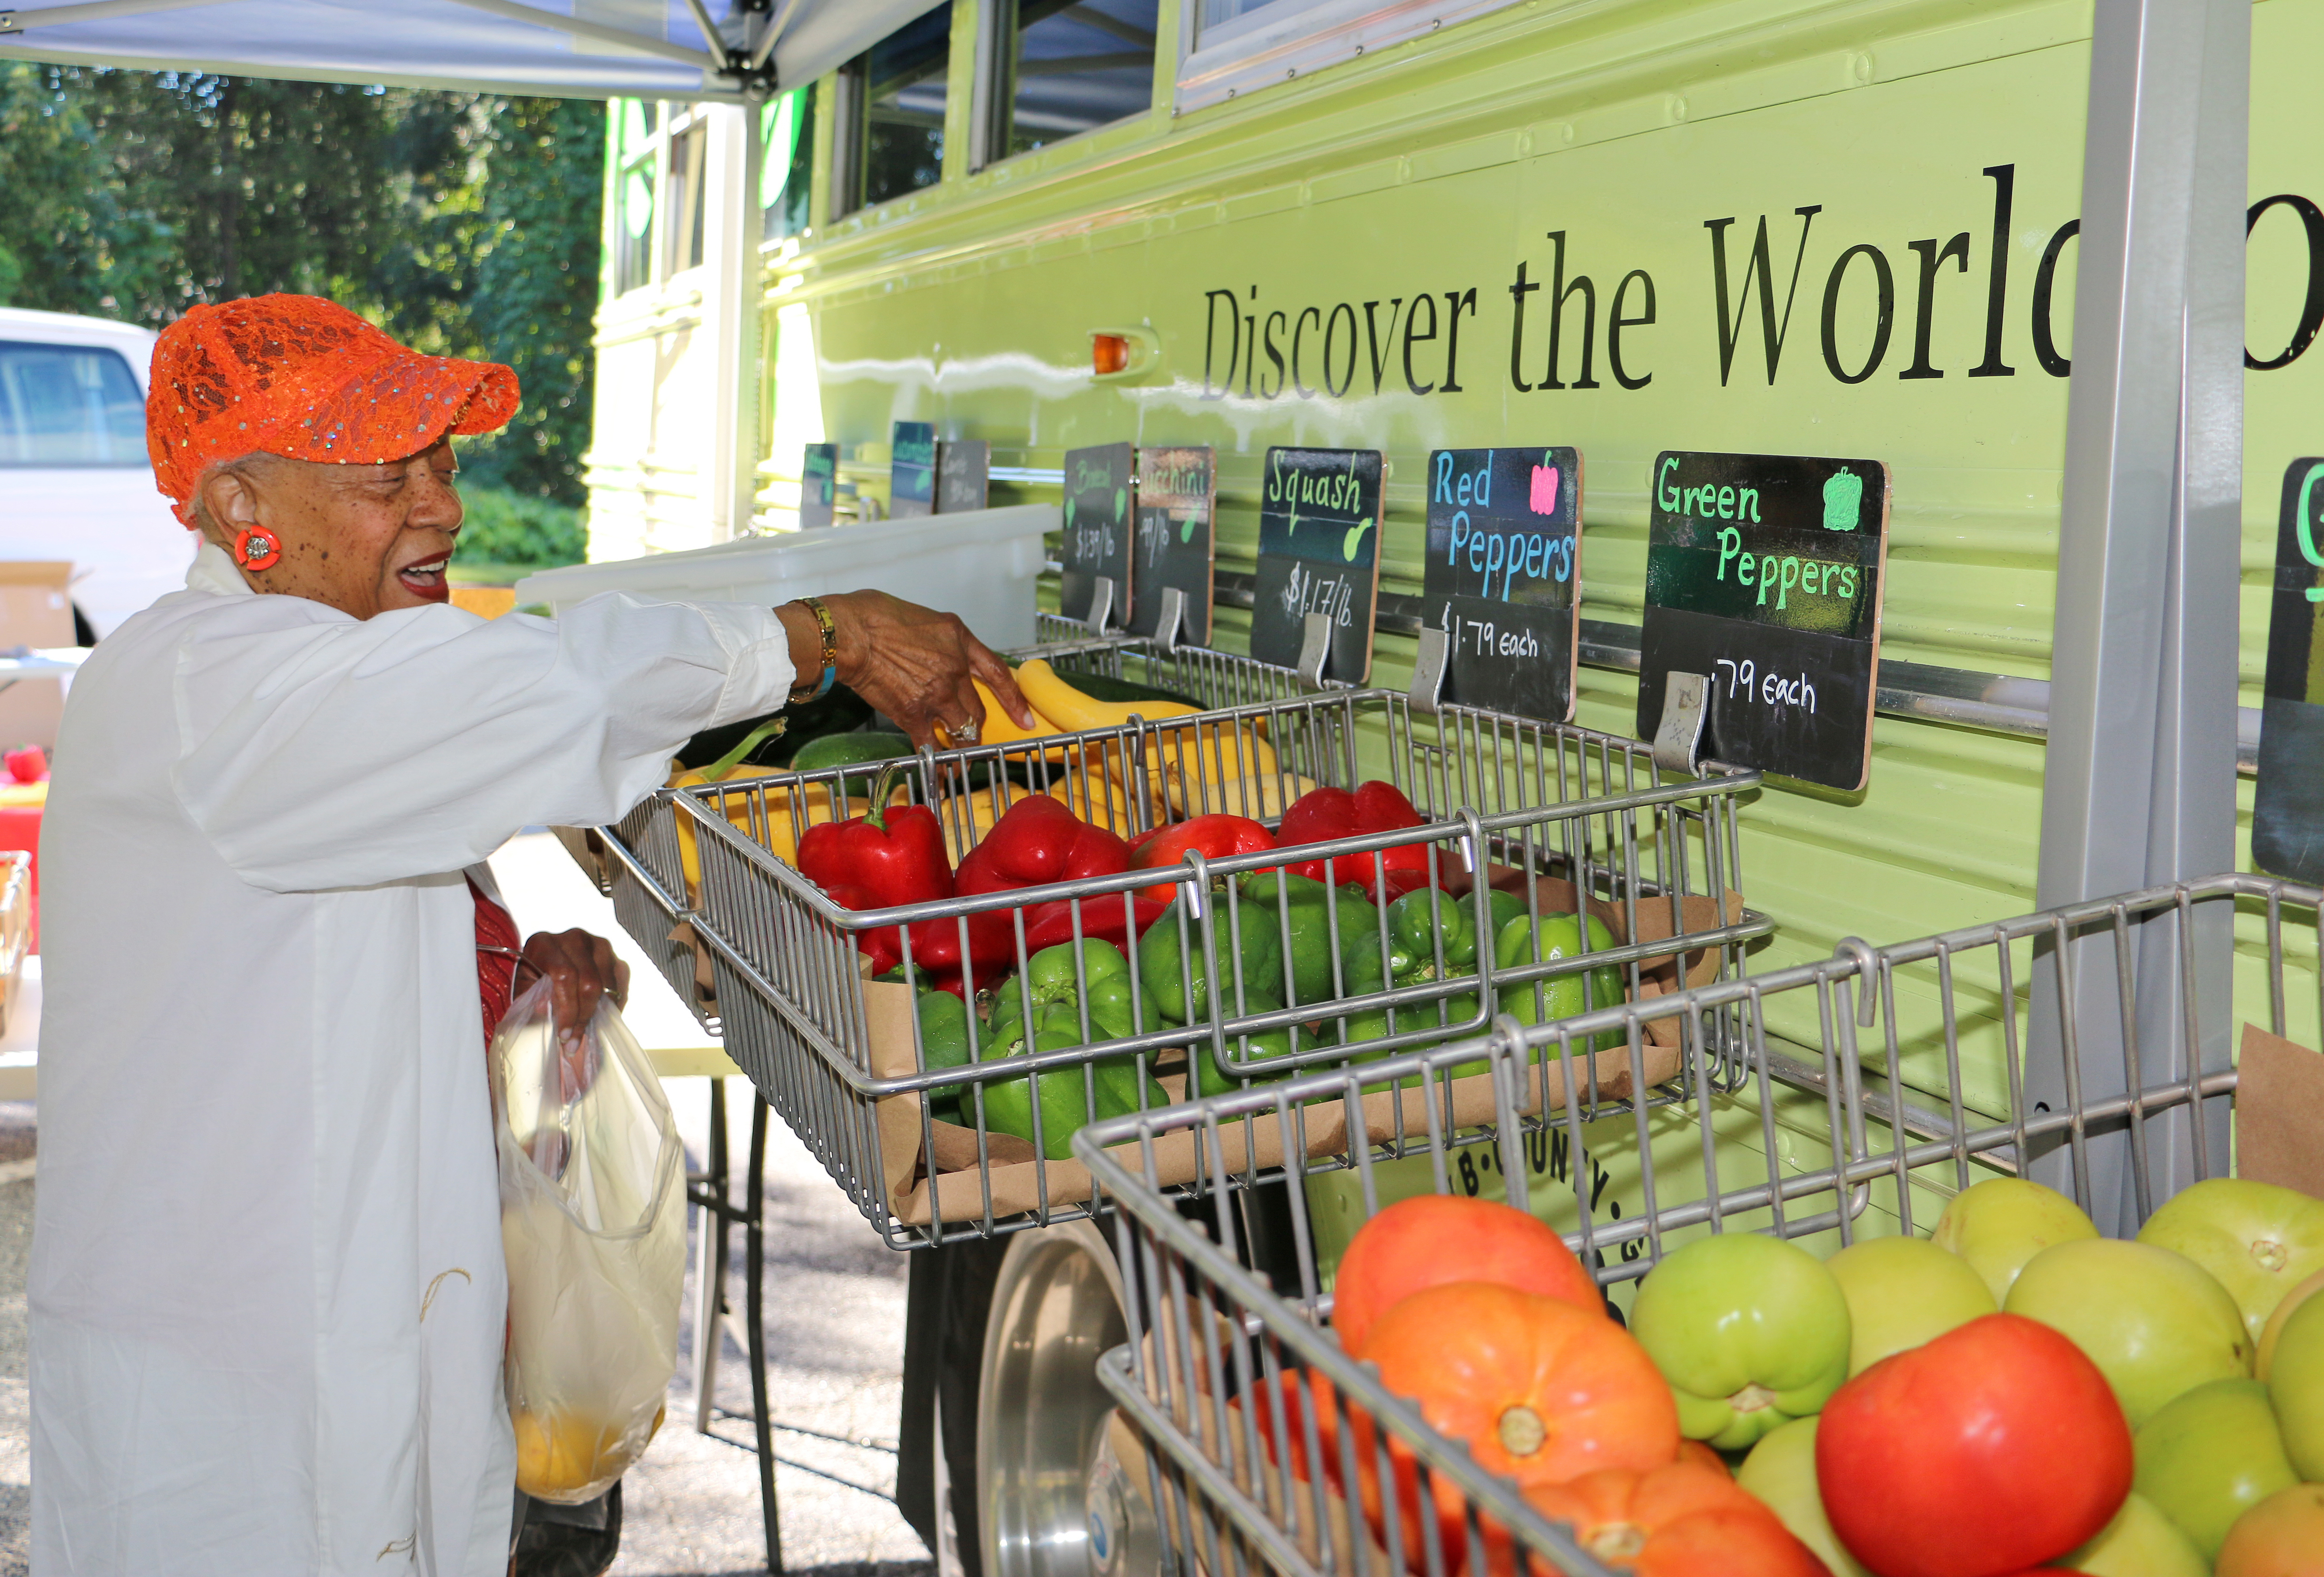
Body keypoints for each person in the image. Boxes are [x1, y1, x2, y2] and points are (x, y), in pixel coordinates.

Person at [28, 294, 1030, 1576]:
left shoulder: (311, 670)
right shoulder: (212, 679)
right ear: (242, 510)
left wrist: (504, 986)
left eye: (441, 466)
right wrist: (824, 636)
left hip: (349, 1353)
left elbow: (310, 963)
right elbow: (539, 686)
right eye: (390, 476)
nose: (441, 506)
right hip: (235, 1402)